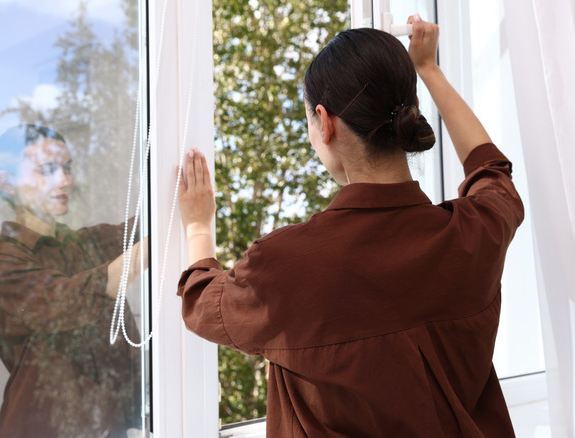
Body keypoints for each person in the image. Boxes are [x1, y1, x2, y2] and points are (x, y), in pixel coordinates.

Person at [177, 14, 524, 437]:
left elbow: (200, 302)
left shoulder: (287, 266)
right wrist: (429, 69)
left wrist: (197, 225)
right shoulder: (475, 233)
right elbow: (490, 170)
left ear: (325, 122)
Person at [0, 124, 147, 438]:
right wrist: (150, 249)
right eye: (47, 170)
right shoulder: (5, 263)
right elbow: (69, 299)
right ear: (7, 182)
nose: (64, 181)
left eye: (67, 168)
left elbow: (151, 223)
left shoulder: (85, 244)